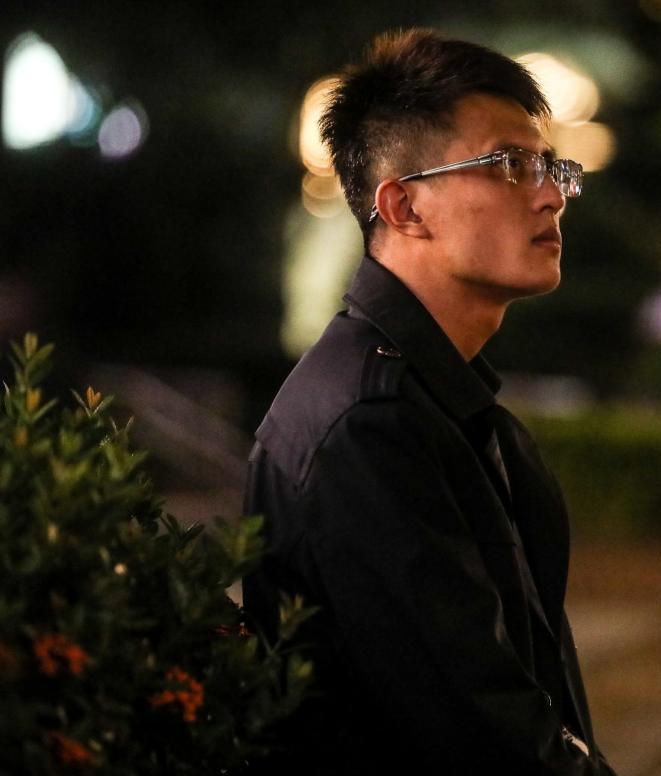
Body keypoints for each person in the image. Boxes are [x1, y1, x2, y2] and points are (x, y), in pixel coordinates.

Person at [242, 28, 614, 774]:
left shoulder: (441, 403)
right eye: (509, 165)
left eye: (550, 166)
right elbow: (477, 730)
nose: (549, 196)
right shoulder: (369, 423)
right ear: (404, 207)